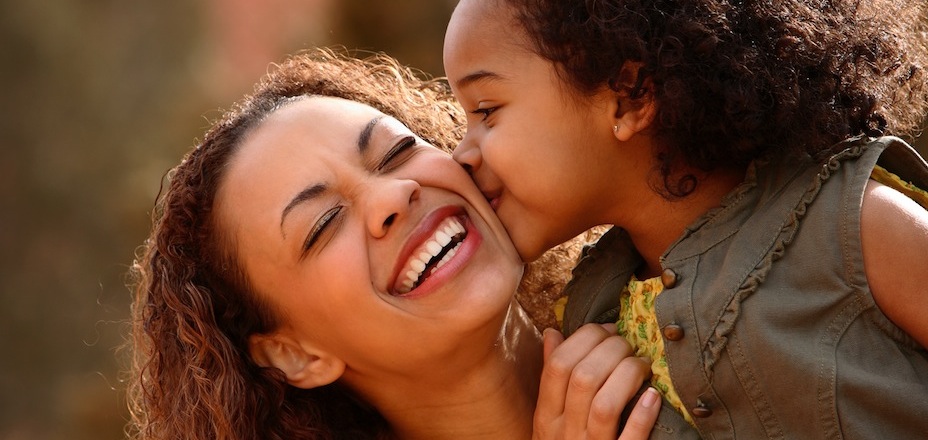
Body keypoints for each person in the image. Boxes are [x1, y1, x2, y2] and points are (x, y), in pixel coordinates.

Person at [444, 0, 928, 437]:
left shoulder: (853, 224)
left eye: (486, 110)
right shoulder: (585, 328)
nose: (460, 154)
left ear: (629, 96)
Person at [125, 48, 666, 440]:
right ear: (295, 354)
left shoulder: (681, 282)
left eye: (396, 152)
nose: (393, 197)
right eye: (323, 224)